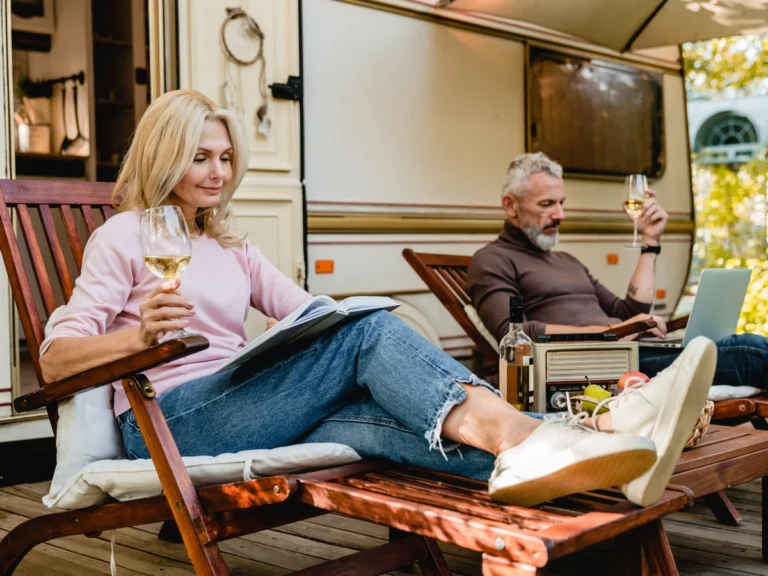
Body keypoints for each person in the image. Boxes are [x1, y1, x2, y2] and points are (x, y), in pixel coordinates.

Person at [39, 90, 715, 509]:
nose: (219, 171)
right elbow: (54, 361)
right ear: (165, 157)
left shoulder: (233, 247)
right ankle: (576, 432)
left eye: (225, 157)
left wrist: (344, 328)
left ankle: (608, 459)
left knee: (390, 420)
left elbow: (309, 314)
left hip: (250, 407)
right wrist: (136, 341)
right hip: (170, 424)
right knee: (364, 335)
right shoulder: (125, 235)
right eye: (200, 157)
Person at [467, 152, 768, 389]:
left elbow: (627, 311)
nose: (561, 214)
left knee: (742, 343)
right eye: (547, 204)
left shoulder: (567, 261)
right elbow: (515, 333)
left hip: (631, 351)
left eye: (561, 203)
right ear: (510, 205)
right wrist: (611, 334)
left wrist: (650, 239)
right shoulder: (492, 260)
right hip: (592, 368)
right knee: (749, 355)